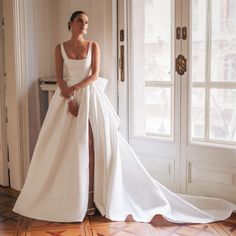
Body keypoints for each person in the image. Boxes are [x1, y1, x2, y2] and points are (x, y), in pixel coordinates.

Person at [12, 10, 236, 224]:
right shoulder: (59, 48)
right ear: (71, 23)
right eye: (80, 21)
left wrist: (77, 88)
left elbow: (94, 75)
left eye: (87, 22)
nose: (84, 25)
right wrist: (69, 98)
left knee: (93, 144)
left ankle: (94, 197)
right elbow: (60, 79)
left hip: (90, 97)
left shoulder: (93, 46)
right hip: (67, 99)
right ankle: (71, 198)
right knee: (66, 148)